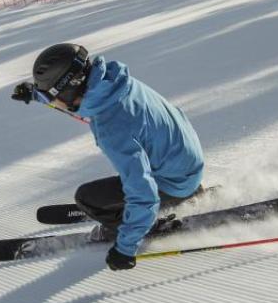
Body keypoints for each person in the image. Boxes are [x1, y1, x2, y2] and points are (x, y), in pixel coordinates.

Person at [12, 43, 205, 271]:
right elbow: (76, 99)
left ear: (67, 90)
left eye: (52, 97)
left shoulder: (112, 126)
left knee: (86, 198)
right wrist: (36, 93)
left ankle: (138, 226)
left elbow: (144, 193)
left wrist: (125, 247)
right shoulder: (112, 85)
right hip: (186, 161)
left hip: (174, 183)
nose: (53, 103)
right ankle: (188, 190)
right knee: (123, 177)